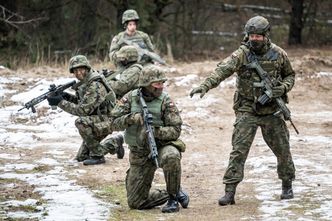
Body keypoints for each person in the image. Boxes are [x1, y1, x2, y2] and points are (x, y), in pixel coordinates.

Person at [190, 16, 296, 205]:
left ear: (266, 35)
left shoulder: (279, 54)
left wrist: (282, 88)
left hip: (272, 110)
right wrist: (205, 86)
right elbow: (222, 70)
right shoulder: (242, 54)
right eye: (251, 35)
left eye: (258, 36)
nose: (254, 39)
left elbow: (290, 75)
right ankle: (230, 191)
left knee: (283, 149)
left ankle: (287, 184)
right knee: (238, 150)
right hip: (247, 108)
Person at [111, 65, 189, 213]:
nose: (161, 87)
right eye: (157, 84)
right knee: (136, 202)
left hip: (161, 146)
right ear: (146, 84)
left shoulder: (165, 100)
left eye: (162, 83)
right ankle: (174, 191)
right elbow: (113, 123)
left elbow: (176, 130)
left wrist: (156, 131)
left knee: (171, 156)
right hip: (139, 152)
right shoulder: (130, 98)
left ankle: (173, 199)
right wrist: (131, 119)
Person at [47, 55, 124, 166]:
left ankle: (98, 156)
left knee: (81, 122)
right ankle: (115, 142)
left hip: (108, 119)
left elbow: (83, 110)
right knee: (81, 157)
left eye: (81, 69)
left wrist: (60, 102)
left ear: (87, 68)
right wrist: (65, 96)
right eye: (75, 71)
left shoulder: (95, 85)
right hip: (98, 119)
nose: (78, 73)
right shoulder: (85, 83)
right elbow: (81, 103)